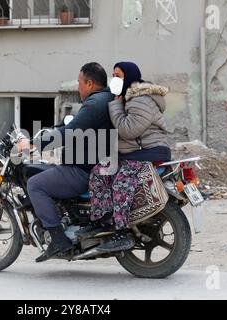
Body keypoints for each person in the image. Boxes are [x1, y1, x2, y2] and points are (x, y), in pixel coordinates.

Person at [15, 62, 114, 262]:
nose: (78, 86)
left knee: (35, 184)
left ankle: (58, 239)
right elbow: (73, 124)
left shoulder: (95, 104)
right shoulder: (105, 99)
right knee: (47, 172)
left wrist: (32, 144)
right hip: (93, 165)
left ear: (89, 83)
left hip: (82, 170)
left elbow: (69, 133)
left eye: (79, 82)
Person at [87, 61, 171, 252]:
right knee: (99, 173)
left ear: (130, 77)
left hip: (148, 152)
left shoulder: (141, 99)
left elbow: (128, 130)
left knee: (121, 183)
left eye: (118, 76)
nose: (114, 79)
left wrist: (115, 105)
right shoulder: (129, 98)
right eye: (113, 75)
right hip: (136, 152)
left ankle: (121, 233)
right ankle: (106, 222)